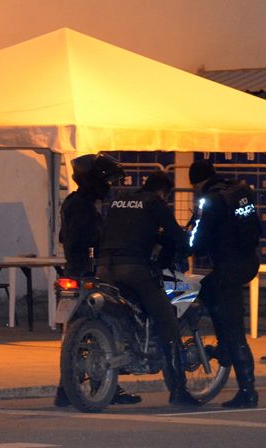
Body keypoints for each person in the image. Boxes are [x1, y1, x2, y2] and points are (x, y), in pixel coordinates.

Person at [97, 171, 200, 406]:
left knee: (118, 317)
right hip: (133, 269)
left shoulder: (120, 200)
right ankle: (178, 389)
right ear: (164, 192)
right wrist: (186, 245)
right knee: (168, 319)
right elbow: (177, 236)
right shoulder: (155, 203)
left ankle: (102, 383)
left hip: (103, 269)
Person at [54, 153, 141, 406]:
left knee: (82, 334)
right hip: (88, 274)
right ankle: (102, 386)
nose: (111, 187)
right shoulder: (82, 206)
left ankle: (68, 390)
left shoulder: (75, 202)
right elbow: (88, 239)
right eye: (108, 182)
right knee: (108, 327)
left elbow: (64, 237)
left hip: (76, 271)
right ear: (95, 181)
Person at [188, 159, 262, 408]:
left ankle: (247, 390)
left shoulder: (211, 201)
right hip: (248, 261)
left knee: (234, 329)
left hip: (230, 267)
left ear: (197, 182)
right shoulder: (237, 192)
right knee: (208, 290)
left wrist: (180, 244)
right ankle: (224, 346)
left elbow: (196, 241)